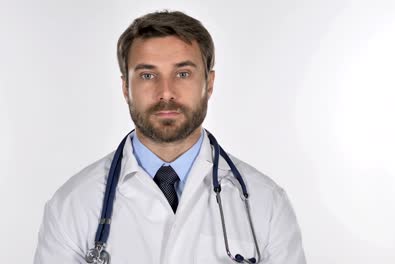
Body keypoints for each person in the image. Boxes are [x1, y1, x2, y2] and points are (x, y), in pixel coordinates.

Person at [34, 10, 306, 264]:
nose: (166, 92)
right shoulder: (72, 206)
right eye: (148, 75)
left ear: (209, 84)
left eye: (183, 74)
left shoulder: (266, 203)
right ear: (126, 88)